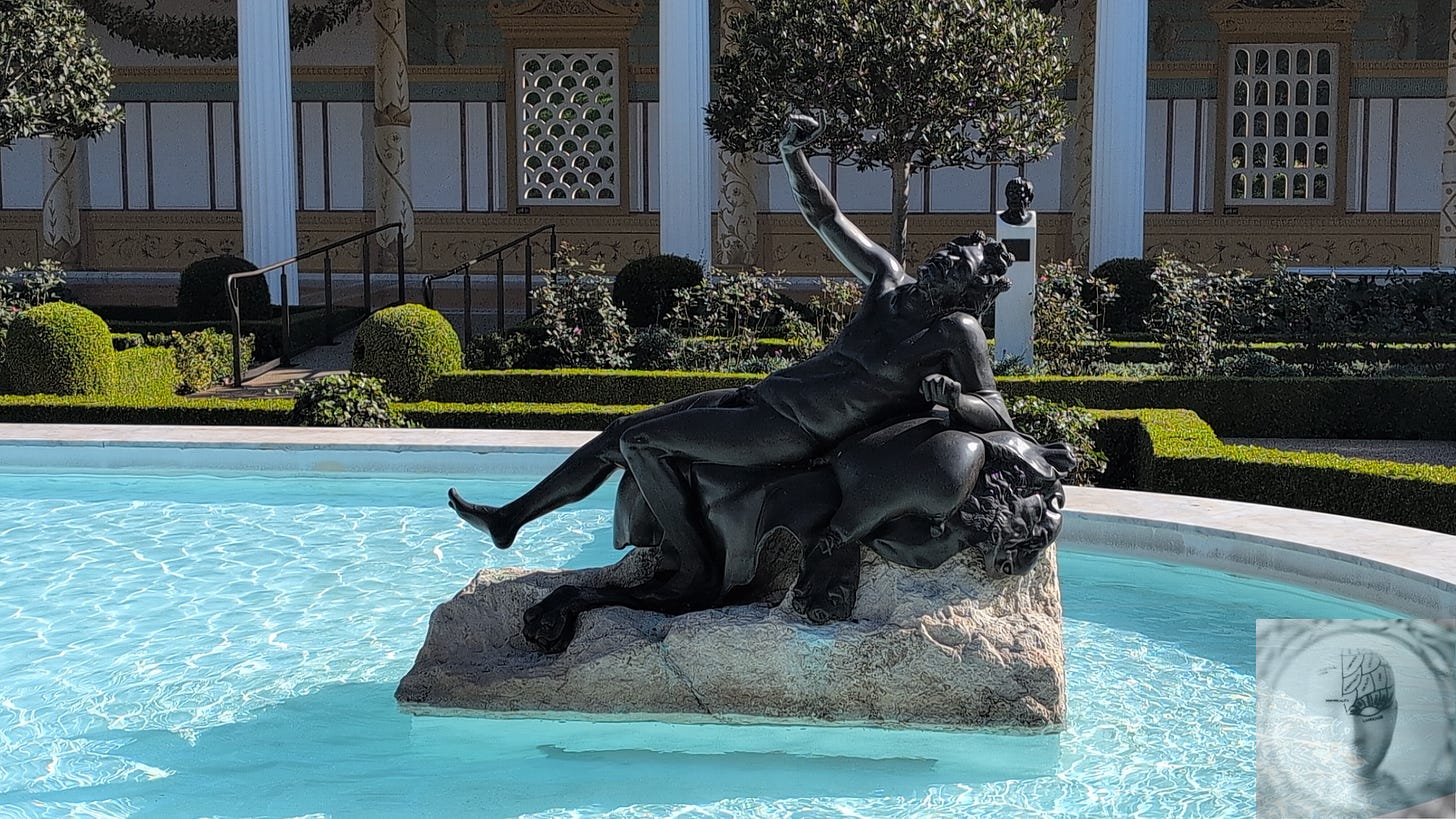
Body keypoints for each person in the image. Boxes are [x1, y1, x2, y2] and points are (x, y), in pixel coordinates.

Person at [450, 112, 1016, 608]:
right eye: (947, 252)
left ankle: (695, 568)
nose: (943, 261)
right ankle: (511, 519)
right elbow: (826, 218)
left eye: (957, 266)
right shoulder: (888, 281)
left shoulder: (954, 332)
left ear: (968, 292)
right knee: (620, 431)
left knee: (642, 445)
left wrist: (957, 400)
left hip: (790, 432)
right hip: (761, 399)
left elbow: (997, 414)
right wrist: (792, 155)